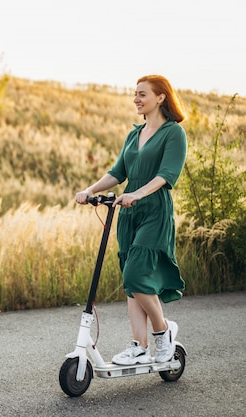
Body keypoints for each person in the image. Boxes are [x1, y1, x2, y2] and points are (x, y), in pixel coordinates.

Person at [75, 75, 187, 365]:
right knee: (132, 282)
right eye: (135, 94)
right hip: (128, 213)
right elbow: (117, 172)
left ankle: (163, 334)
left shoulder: (173, 133)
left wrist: (138, 193)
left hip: (154, 211)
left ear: (161, 97)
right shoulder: (134, 134)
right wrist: (90, 190)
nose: (136, 99)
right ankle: (139, 345)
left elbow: (167, 175)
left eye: (142, 94)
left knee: (136, 274)